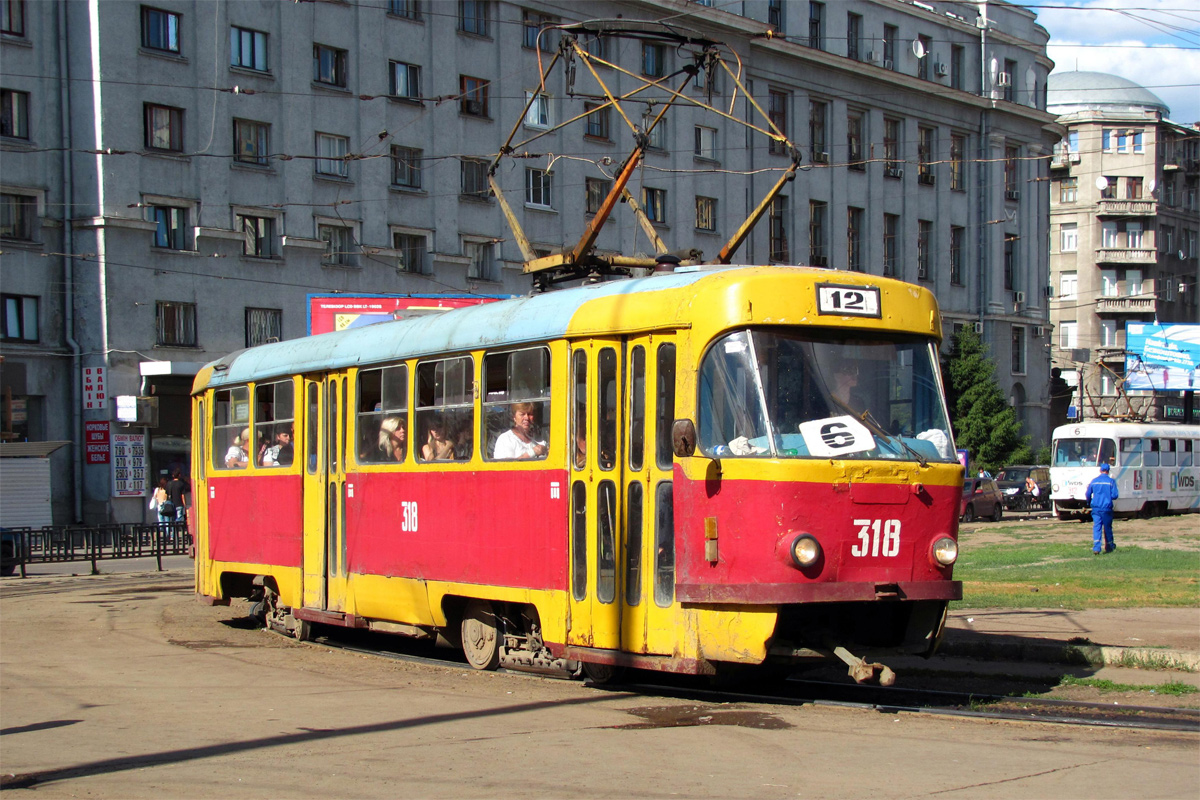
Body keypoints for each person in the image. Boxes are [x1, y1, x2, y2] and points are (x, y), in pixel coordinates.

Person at [1085, 462, 1119, 554]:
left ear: (1100, 470)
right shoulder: (1111, 481)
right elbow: (1115, 495)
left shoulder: (1094, 481)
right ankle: (1109, 546)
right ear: (1108, 471)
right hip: (1106, 508)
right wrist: (1108, 497)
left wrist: (1089, 502)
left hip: (1096, 508)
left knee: (1097, 527)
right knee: (1107, 527)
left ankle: (1096, 547)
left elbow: (1088, 494)